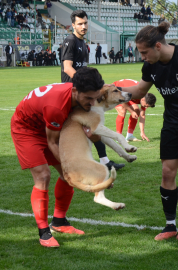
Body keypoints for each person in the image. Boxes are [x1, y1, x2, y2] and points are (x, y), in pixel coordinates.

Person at [121, 22, 178, 240]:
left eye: (144, 52)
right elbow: (139, 90)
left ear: (158, 46)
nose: (142, 56)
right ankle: (170, 225)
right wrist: (110, 89)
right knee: (167, 173)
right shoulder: (151, 65)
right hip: (172, 125)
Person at [11, 67, 104, 248]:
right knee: (43, 175)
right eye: (88, 98)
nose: (93, 103)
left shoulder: (84, 97)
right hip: (27, 129)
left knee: (67, 179)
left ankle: (59, 222)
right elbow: (52, 142)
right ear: (75, 90)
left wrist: (92, 132)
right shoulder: (56, 106)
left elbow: (94, 135)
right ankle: (44, 232)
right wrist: (71, 167)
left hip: (49, 126)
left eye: (96, 97)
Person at [61, 10, 124, 171]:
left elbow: (83, 68)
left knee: (92, 127)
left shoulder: (83, 42)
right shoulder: (71, 41)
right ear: (73, 25)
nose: (83, 26)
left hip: (82, 91)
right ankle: (94, 162)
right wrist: (85, 84)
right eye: (80, 24)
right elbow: (67, 68)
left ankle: (103, 161)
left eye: (85, 23)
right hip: (74, 92)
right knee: (89, 128)